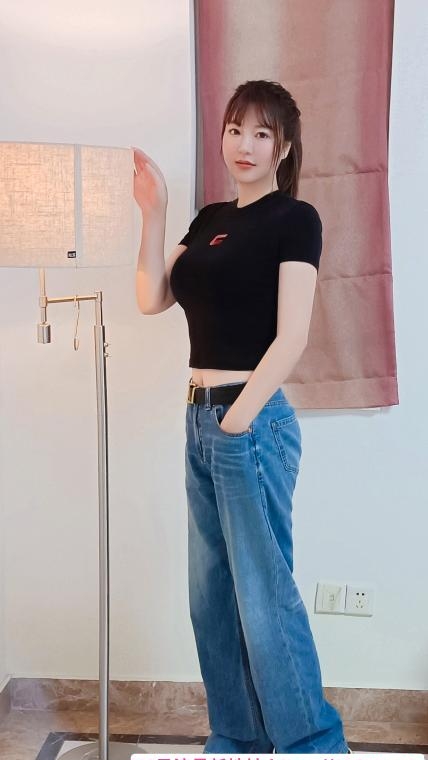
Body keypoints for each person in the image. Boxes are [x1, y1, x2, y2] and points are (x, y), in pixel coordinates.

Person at [133, 79, 351, 754]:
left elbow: (292, 336)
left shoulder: (295, 220)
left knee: (263, 598)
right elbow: (151, 298)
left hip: (249, 423)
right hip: (200, 422)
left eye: (261, 132)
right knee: (211, 598)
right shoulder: (208, 220)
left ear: (283, 147)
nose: (245, 144)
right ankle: (237, 736)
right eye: (235, 129)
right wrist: (154, 213)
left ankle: (313, 744)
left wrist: (237, 421)